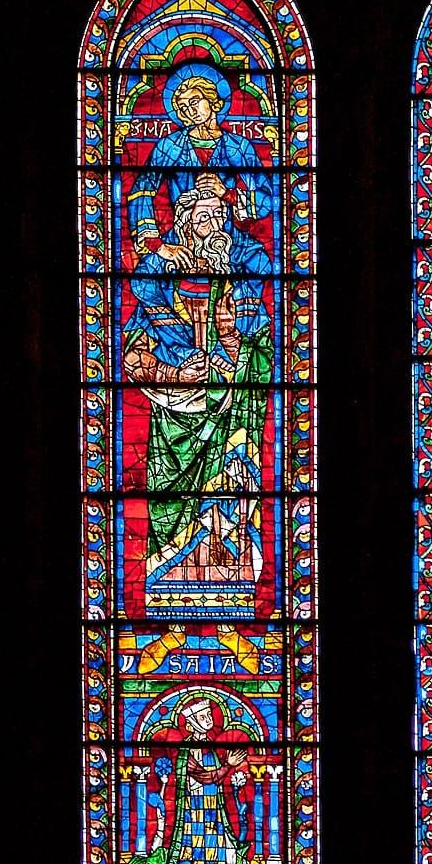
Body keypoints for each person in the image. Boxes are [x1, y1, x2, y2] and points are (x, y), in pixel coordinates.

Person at [122, 188, 276, 613]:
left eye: (219, 220)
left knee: (231, 509)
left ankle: (233, 608)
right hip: (174, 419)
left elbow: (264, 356)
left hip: (230, 422)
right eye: (204, 221)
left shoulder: (239, 289)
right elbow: (133, 357)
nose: (214, 230)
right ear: (185, 228)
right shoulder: (159, 292)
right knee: (172, 517)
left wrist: (230, 338)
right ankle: (167, 612)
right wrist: (174, 374)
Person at [124, 74, 275, 271]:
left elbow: (268, 200)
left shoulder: (239, 146)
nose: (190, 112)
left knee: (261, 265)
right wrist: (160, 247)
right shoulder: (169, 146)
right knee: (144, 276)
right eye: (184, 108)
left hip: (228, 238)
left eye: (195, 102)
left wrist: (226, 194)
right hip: (182, 238)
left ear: (212, 100)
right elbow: (141, 190)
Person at [127, 697, 254, 864]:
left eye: (209, 715)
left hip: (213, 802)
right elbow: (205, 777)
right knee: (194, 836)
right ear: (190, 724)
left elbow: (214, 779)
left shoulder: (210, 748)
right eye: (202, 717)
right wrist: (228, 765)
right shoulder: (185, 751)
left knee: (214, 834)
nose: (208, 719)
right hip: (194, 802)